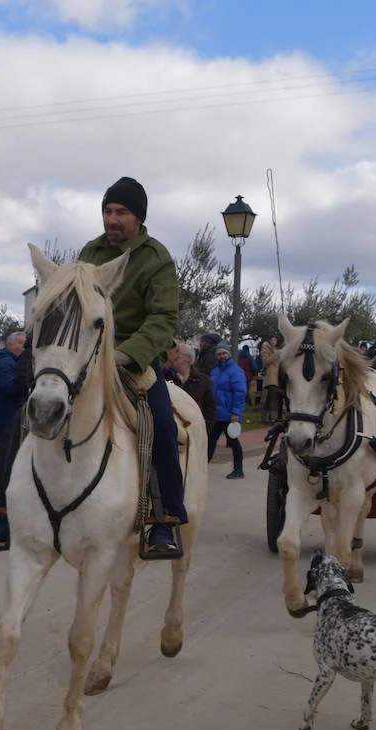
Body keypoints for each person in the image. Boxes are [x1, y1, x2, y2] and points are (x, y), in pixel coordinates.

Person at [78, 177, 186, 553]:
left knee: (160, 426)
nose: (112, 219)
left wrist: (126, 354)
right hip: (86, 357)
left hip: (132, 360)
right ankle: (8, 511)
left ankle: (164, 517)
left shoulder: (156, 259)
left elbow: (162, 318)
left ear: (138, 217)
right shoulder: (89, 252)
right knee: (30, 411)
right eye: (107, 211)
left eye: (121, 212)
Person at [0, 331, 25, 503]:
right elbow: (9, 387)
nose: (24, 347)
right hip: (4, 417)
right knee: (3, 456)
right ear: (11, 345)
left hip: (2, 416)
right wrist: (24, 383)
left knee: (1, 454)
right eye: (22, 343)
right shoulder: (7, 363)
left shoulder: (6, 360)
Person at [208, 342, 247, 479]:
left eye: (224, 353)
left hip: (230, 415)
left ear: (229, 354)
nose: (222, 356)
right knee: (210, 441)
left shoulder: (236, 371)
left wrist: (236, 412)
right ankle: (200, 467)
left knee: (234, 443)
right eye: (219, 354)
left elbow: (240, 392)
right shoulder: (214, 372)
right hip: (217, 415)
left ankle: (239, 470)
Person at [167, 341, 216, 425]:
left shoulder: (203, 381)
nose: (175, 355)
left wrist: (205, 431)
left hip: (196, 428)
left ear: (188, 358)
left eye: (178, 352)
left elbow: (211, 409)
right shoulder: (167, 378)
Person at [260, 334, 283, 423]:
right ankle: (270, 418)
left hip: (278, 376)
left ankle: (268, 418)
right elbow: (266, 361)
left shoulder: (277, 350)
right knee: (271, 397)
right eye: (272, 340)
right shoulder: (266, 348)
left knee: (273, 398)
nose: (273, 342)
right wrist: (276, 354)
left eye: (275, 340)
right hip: (271, 376)